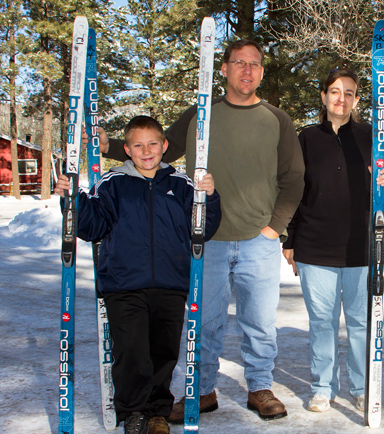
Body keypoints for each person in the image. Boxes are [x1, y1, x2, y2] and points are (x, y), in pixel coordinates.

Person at [92, 39, 305, 421]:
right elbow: (158, 150)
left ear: (260, 71)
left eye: (254, 64)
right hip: (205, 240)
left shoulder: (277, 119)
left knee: (259, 323)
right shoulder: (200, 115)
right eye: (239, 63)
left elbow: (293, 178)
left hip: (259, 239)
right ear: (223, 69)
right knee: (203, 323)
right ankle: (202, 390)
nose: (247, 70)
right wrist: (110, 147)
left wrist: (275, 228)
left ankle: (259, 387)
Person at [55, 115, 221, 434]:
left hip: (170, 285)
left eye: (153, 144)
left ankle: (158, 412)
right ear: (127, 150)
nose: (146, 151)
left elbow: (203, 229)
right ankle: (134, 412)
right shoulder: (112, 182)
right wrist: (72, 199)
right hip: (123, 285)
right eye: (138, 145)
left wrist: (209, 198)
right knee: (131, 352)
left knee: (163, 352)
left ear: (165, 146)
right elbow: (92, 226)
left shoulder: (182, 184)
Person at [281, 68, 384, 413]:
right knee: (322, 321)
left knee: (362, 321)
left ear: (357, 100)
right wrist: (290, 240)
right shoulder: (305, 140)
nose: (341, 98)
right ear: (323, 96)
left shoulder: (372, 136)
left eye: (349, 92)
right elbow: (294, 193)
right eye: (334, 91)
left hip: (363, 247)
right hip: (315, 248)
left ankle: (362, 386)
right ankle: (322, 386)